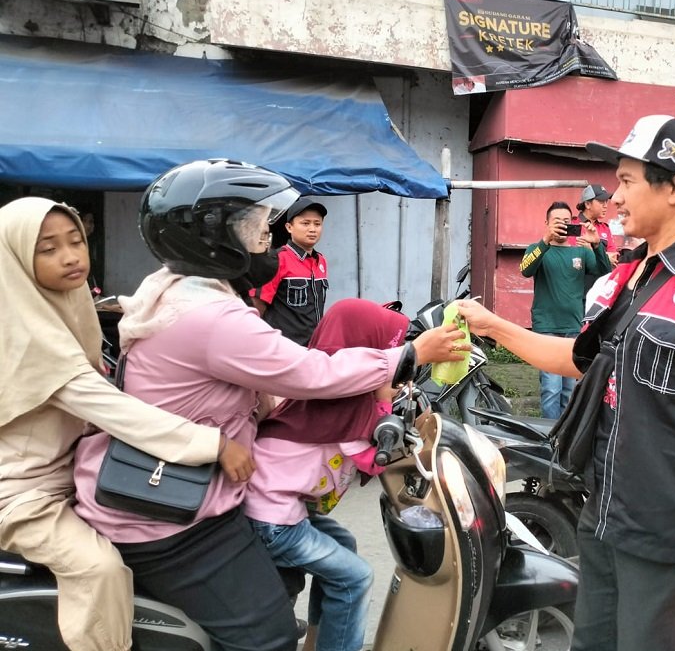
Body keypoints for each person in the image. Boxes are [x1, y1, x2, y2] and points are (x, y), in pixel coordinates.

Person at [71, 160, 468, 651]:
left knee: (310, 569)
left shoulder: (176, 288)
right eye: (253, 226)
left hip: (186, 486)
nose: (267, 238)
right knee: (270, 637)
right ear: (211, 236)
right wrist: (408, 355)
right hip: (167, 512)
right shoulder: (212, 316)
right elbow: (311, 373)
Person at [459, 115, 675, 651]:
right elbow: (580, 361)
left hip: (667, 530)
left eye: (628, 181)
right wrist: (493, 326)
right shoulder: (634, 277)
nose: (615, 197)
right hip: (605, 514)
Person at [0, 197, 254, 651]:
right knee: (99, 569)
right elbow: (108, 406)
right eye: (49, 249)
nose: (70, 256)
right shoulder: (27, 335)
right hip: (25, 495)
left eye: (77, 241)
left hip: (72, 471)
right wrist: (213, 443)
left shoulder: (62, 303)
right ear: (16, 260)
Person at [245, 298, 408, 651]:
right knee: (356, 578)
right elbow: (373, 460)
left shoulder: (325, 396)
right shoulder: (342, 408)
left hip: (278, 511)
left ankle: (317, 643)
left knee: (344, 544)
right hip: (274, 522)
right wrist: (384, 400)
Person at [520, 201, 612, 419]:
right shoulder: (537, 249)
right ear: (546, 223)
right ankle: (549, 433)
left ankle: (565, 433)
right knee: (551, 388)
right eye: (557, 221)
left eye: (566, 221)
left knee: (570, 389)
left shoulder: (581, 251)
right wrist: (545, 240)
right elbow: (525, 269)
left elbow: (605, 273)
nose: (562, 225)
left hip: (574, 327)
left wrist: (597, 246)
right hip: (546, 328)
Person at [253, 196, 330, 346]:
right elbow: (257, 305)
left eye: (317, 224)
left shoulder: (321, 261)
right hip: (285, 347)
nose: (312, 229)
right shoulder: (276, 259)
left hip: (314, 347)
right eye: (305, 223)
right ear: (289, 227)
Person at [575, 183, 619, 269]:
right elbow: (574, 258)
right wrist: (605, 257)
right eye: (601, 201)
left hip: (601, 276)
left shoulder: (605, 228)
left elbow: (614, 258)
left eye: (606, 201)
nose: (605, 206)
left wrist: (590, 250)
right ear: (587, 204)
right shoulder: (573, 224)